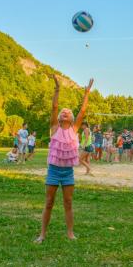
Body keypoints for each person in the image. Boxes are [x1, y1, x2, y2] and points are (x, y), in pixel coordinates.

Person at [35, 76, 93, 244]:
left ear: (72, 118)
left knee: (68, 202)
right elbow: (54, 106)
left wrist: (86, 93)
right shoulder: (54, 128)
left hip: (67, 172)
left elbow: (83, 111)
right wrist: (57, 89)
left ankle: (70, 233)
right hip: (53, 170)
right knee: (49, 203)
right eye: (63, 111)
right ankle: (42, 234)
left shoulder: (75, 129)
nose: (64, 111)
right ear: (59, 118)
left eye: (68, 111)